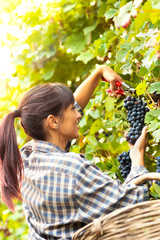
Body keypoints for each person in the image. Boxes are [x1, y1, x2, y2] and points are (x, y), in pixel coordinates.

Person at [0, 65, 149, 240]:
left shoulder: (25, 161)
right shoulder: (73, 170)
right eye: (72, 109)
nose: (78, 114)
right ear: (53, 122)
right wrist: (137, 158)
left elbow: (64, 117)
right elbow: (134, 204)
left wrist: (99, 73)